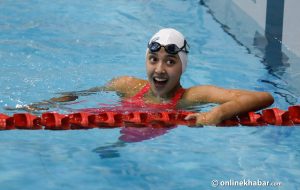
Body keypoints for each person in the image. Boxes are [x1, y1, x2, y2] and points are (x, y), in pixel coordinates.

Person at [20, 28, 274, 126]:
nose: (160, 69)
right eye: (154, 60)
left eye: (171, 62)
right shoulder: (126, 85)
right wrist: (47, 105)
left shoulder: (192, 97)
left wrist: (216, 113)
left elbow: (264, 96)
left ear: (182, 67)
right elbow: (82, 94)